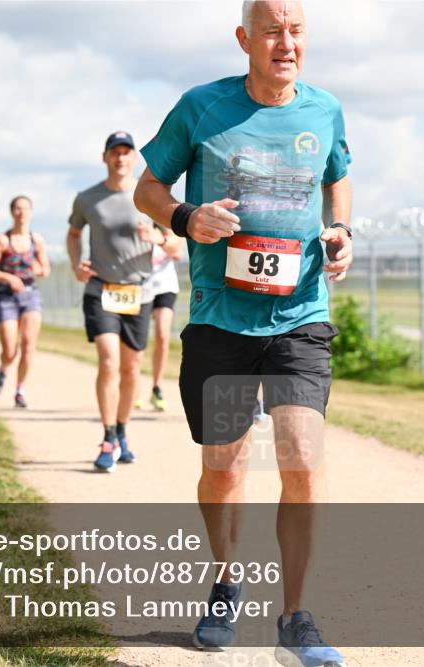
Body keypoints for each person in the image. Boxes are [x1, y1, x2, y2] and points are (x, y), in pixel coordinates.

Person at [133, 2, 354, 664]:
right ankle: (226, 578)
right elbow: (149, 186)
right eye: (271, 31)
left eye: (295, 32)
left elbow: (338, 181)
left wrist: (342, 231)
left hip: (299, 317)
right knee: (225, 466)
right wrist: (184, 216)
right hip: (222, 323)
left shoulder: (325, 110)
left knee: (301, 460)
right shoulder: (200, 107)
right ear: (244, 40)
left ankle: (297, 615)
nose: (285, 43)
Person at [69, 131, 179, 472]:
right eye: (114, 153)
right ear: (105, 158)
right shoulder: (87, 199)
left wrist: (158, 236)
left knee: (131, 369)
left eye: (126, 153)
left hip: (139, 292)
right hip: (101, 289)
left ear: (134, 159)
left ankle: (121, 431)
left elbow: (176, 244)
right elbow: (73, 234)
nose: (120, 158)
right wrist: (76, 263)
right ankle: (106, 437)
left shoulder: (148, 196)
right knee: (108, 362)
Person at [0, 196, 50, 408]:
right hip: (6, 297)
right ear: (12, 212)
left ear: (31, 212)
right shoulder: (3, 240)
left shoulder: (36, 240)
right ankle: (3, 369)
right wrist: (9, 278)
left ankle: (19, 390)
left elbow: (45, 269)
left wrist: (39, 270)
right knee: (10, 349)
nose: (22, 213)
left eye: (26, 208)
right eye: (18, 209)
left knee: (29, 345)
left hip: (30, 295)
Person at [144, 227, 184, 411]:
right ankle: (132, 386)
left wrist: (160, 239)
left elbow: (177, 252)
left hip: (165, 288)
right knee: (137, 341)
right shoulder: (139, 225)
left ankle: (157, 387)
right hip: (138, 287)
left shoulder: (168, 226)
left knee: (162, 336)